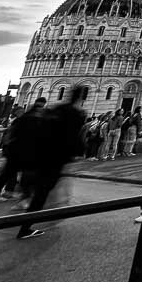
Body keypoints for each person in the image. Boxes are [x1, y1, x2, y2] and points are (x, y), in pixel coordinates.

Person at [17, 89, 87, 239]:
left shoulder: (55, 110)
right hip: (57, 158)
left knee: (43, 189)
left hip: (42, 155)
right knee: (44, 191)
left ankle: (30, 211)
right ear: (80, 98)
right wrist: (78, 152)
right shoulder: (74, 114)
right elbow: (73, 136)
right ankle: (26, 226)